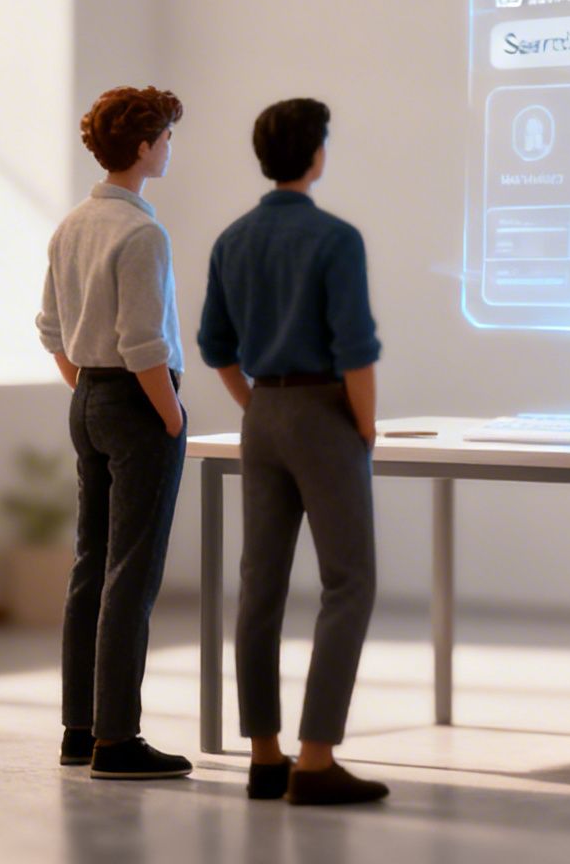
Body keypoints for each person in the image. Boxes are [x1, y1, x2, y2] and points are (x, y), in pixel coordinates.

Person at [199, 98, 388, 806]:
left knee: (261, 586)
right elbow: (357, 351)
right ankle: (316, 759)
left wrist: (258, 408)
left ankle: (265, 756)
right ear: (317, 154)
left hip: (265, 414)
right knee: (348, 581)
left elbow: (216, 347)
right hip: (323, 413)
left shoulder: (232, 239)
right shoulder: (336, 239)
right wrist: (361, 428)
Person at [35, 86, 192, 781]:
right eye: (164, 138)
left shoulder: (71, 224)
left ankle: (80, 729)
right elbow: (144, 343)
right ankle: (118, 740)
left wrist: (89, 390)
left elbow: (49, 328)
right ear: (142, 148)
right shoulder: (142, 233)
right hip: (136, 403)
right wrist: (169, 414)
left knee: (90, 564)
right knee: (133, 571)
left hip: (89, 399)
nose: (168, 148)